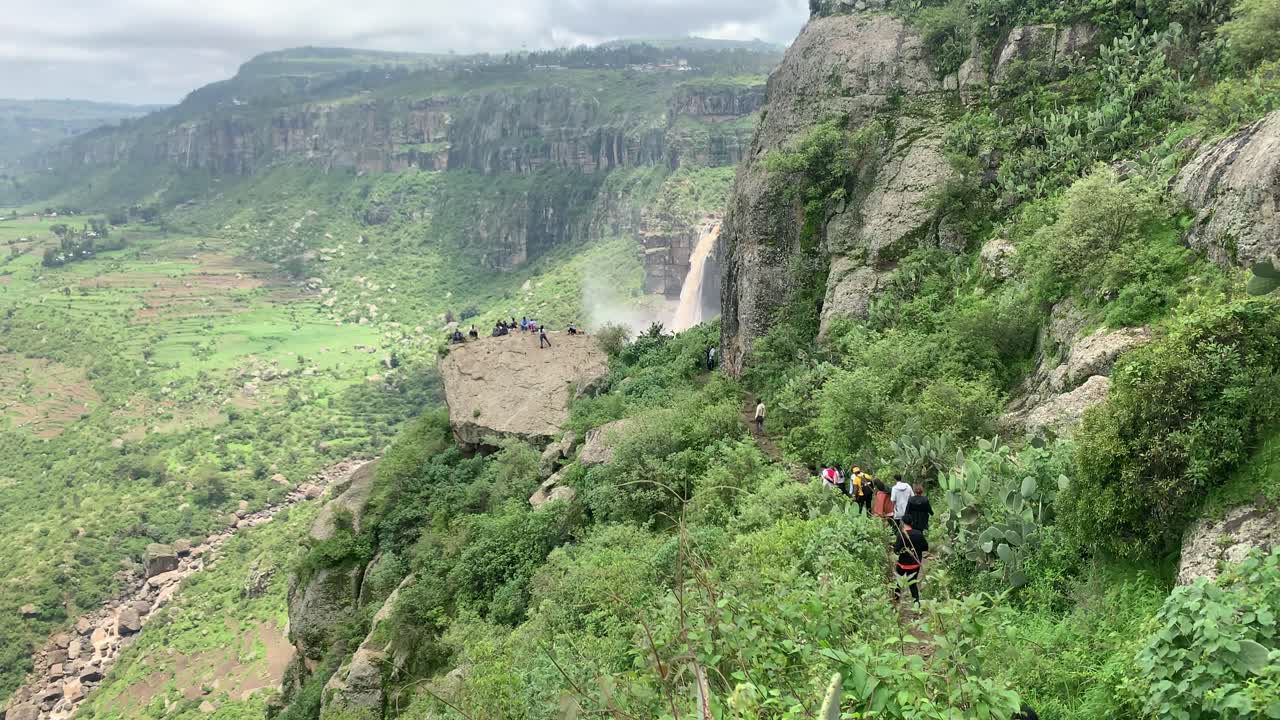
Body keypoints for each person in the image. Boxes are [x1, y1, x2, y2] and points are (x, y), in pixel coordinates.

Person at [893, 521, 928, 606]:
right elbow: (925, 547)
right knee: (913, 584)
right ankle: (916, 603)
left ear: (903, 523)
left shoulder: (900, 534)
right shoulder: (918, 533)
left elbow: (896, 551)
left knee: (898, 583)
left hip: (903, 564)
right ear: (911, 523)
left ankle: (895, 601)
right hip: (915, 564)